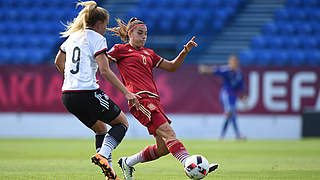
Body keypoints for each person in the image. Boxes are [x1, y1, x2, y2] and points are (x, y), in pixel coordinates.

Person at [106, 17, 218, 180]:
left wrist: (184, 51)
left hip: (155, 101)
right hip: (140, 100)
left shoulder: (149, 53)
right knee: (168, 133)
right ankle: (191, 164)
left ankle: (128, 162)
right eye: (140, 33)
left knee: (163, 148)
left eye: (146, 34)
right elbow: (101, 62)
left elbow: (172, 67)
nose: (144, 37)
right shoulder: (120, 49)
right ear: (130, 33)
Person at [54, 2, 139, 180]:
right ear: (99, 24)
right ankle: (102, 155)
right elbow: (105, 71)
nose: (106, 29)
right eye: (106, 25)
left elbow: (58, 61)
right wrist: (127, 93)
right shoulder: (97, 38)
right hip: (87, 93)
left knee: (101, 128)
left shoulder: (73, 37)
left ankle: (109, 174)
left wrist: (71, 79)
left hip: (68, 95)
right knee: (122, 123)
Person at [198, 55, 247, 140]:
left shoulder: (239, 73)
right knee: (230, 112)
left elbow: (241, 86)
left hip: (234, 96)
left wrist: (243, 95)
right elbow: (217, 71)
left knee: (230, 115)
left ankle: (222, 136)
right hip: (226, 94)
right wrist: (207, 70)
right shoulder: (227, 70)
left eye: (235, 62)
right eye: (232, 61)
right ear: (230, 62)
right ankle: (237, 135)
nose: (233, 63)